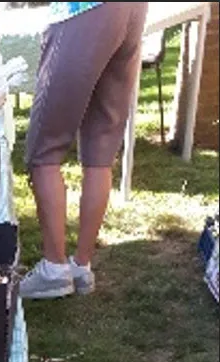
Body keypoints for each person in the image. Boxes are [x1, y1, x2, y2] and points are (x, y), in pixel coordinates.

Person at [20, 1, 149, 300]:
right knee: (101, 147)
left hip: (81, 9)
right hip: (132, 9)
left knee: (44, 149)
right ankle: (81, 266)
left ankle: (54, 269)